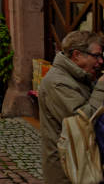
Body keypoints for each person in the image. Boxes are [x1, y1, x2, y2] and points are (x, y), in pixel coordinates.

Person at [39, 31, 104, 184]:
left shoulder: (79, 76)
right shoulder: (57, 82)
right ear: (77, 55)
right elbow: (81, 120)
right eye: (96, 55)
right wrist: (101, 88)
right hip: (68, 169)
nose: (101, 61)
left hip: (82, 162)